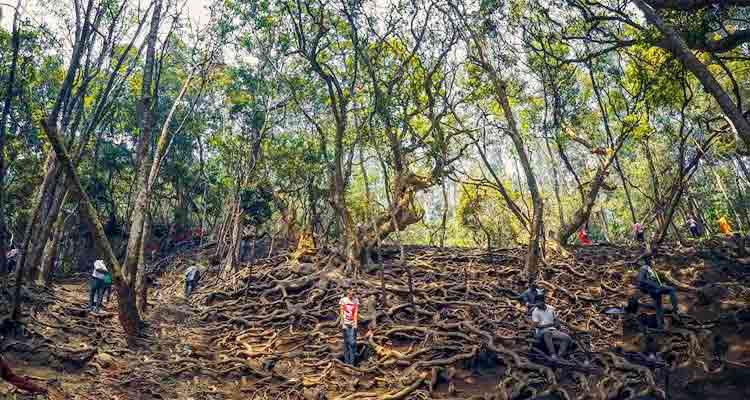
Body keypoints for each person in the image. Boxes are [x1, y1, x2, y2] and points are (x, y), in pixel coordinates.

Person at [637, 258, 679, 328]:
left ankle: (660, 325)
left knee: (658, 306)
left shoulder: (651, 269)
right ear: (649, 261)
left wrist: (661, 284)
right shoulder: (644, 267)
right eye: (652, 259)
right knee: (671, 290)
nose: (654, 261)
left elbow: (654, 279)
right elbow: (641, 279)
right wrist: (655, 285)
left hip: (654, 288)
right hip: (652, 288)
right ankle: (675, 310)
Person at [531, 294, 572, 360]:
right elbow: (536, 326)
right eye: (536, 303)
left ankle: (560, 355)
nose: (537, 304)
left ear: (543, 301)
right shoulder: (535, 312)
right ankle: (553, 354)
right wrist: (550, 325)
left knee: (567, 338)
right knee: (547, 333)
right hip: (540, 332)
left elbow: (556, 320)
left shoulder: (551, 308)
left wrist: (559, 327)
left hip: (553, 330)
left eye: (538, 302)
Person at [339, 285, 359, 365]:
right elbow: (341, 311)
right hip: (345, 324)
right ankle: (347, 363)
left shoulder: (356, 300)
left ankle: (352, 363)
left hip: (352, 324)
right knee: (346, 343)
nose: (352, 293)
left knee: (352, 343)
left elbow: (356, 313)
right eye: (350, 291)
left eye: (353, 291)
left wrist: (355, 323)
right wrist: (342, 322)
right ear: (347, 292)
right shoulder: (343, 300)